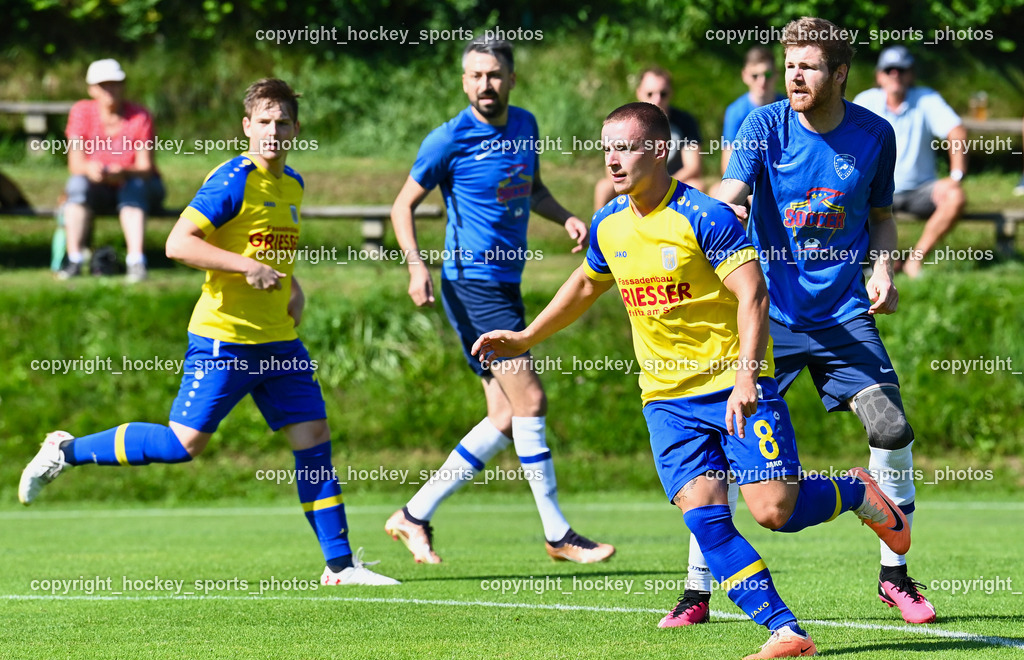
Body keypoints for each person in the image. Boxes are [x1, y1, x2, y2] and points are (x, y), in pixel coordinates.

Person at [473, 101, 911, 660]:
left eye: (625, 147)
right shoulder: (610, 224)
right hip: (665, 402)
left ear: (659, 151)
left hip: (734, 387)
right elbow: (585, 286)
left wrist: (748, 376)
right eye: (606, 148)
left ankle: (855, 492)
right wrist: (526, 337)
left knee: (774, 511)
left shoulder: (706, 216)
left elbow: (753, 294)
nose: (612, 159)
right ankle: (785, 630)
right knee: (705, 517)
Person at [19, 78, 398, 587]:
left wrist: (292, 285)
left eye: (282, 122)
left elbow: (269, 249)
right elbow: (178, 244)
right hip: (224, 340)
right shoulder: (232, 179)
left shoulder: (294, 185)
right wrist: (245, 267)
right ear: (246, 127)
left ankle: (341, 566)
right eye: (263, 121)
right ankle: (65, 452)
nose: (272, 131)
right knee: (183, 444)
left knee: (314, 439)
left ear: (295, 129)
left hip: (278, 340)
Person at [674, 17, 935, 628]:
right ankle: (695, 591)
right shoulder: (763, 124)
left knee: (892, 429)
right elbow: (732, 193)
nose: (794, 73)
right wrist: (711, 217)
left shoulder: (876, 134)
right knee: (723, 441)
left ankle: (894, 579)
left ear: (840, 74)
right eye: (791, 62)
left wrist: (884, 268)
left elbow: (882, 215)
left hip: (843, 317)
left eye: (809, 65)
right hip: (769, 315)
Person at [386, 37, 614, 565]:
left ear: (511, 79)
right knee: (530, 401)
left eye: (494, 75)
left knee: (506, 416)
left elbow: (532, 190)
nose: (484, 85)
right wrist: (416, 266)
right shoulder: (448, 139)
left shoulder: (525, 126)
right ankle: (558, 533)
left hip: (504, 285)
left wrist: (567, 217)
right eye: (474, 76)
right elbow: (403, 206)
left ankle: (413, 515)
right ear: (464, 82)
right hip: (470, 284)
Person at [853, 45, 967, 278]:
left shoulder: (926, 98)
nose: (896, 74)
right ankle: (876, 263)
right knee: (845, 195)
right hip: (877, 190)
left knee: (955, 196)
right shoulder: (865, 101)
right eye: (889, 69)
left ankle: (915, 260)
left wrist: (955, 176)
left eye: (902, 69)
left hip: (921, 190)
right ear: (879, 76)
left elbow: (956, 132)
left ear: (911, 74)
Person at [60, 58, 166, 282]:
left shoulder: (140, 115)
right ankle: (74, 259)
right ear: (92, 89)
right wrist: (91, 169)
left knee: (133, 188)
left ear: (123, 85)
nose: (110, 89)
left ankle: (136, 261)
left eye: (114, 83)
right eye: (103, 84)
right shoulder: (80, 112)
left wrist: (124, 172)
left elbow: (145, 167)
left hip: (137, 185)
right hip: (96, 187)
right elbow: (75, 165)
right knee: (76, 185)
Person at [593, 66, 703, 211]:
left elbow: (693, 167)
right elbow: (611, 170)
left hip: (673, 181)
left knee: (698, 185)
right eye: (650, 93)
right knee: (603, 187)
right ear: (639, 93)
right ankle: (598, 230)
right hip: (633, 179)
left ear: (671, 93)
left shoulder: (685, 122)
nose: (657, 99)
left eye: (663, 94)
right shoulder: (622, 123)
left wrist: (661, 186)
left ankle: (694, 230)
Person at [720, 46, 786, 177]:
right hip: (748, 179)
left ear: (776, 74)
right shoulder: (735, 112)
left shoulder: (789, 108)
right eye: (755, 75)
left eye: (767, 74)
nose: (762, 81)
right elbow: (727, 161)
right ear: (745, 75)